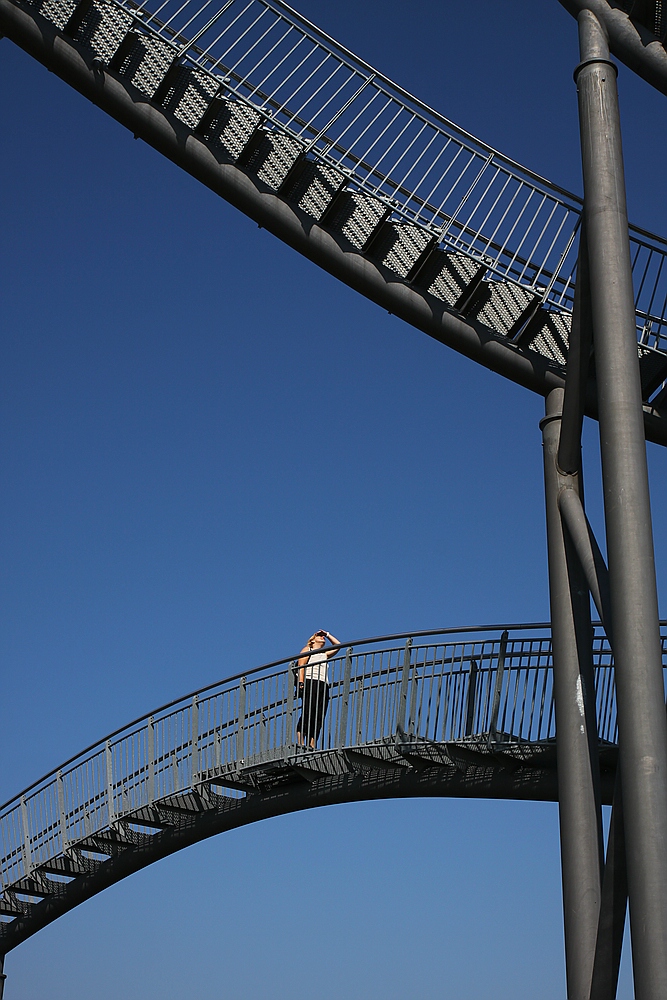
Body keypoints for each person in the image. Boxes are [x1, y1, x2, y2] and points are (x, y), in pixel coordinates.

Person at [296, 629, 340, 748]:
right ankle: (301, 741)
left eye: (323, 636)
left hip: (323, 684)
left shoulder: (324, 654)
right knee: (308, 711)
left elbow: (338, 645)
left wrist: (328, 634)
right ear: (313, 639)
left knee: (319, 714)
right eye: (319, 635)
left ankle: (312, 743)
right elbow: (301, 666)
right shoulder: (307, 649)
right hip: (310, 682)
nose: (322, 637)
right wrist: (301, 682)